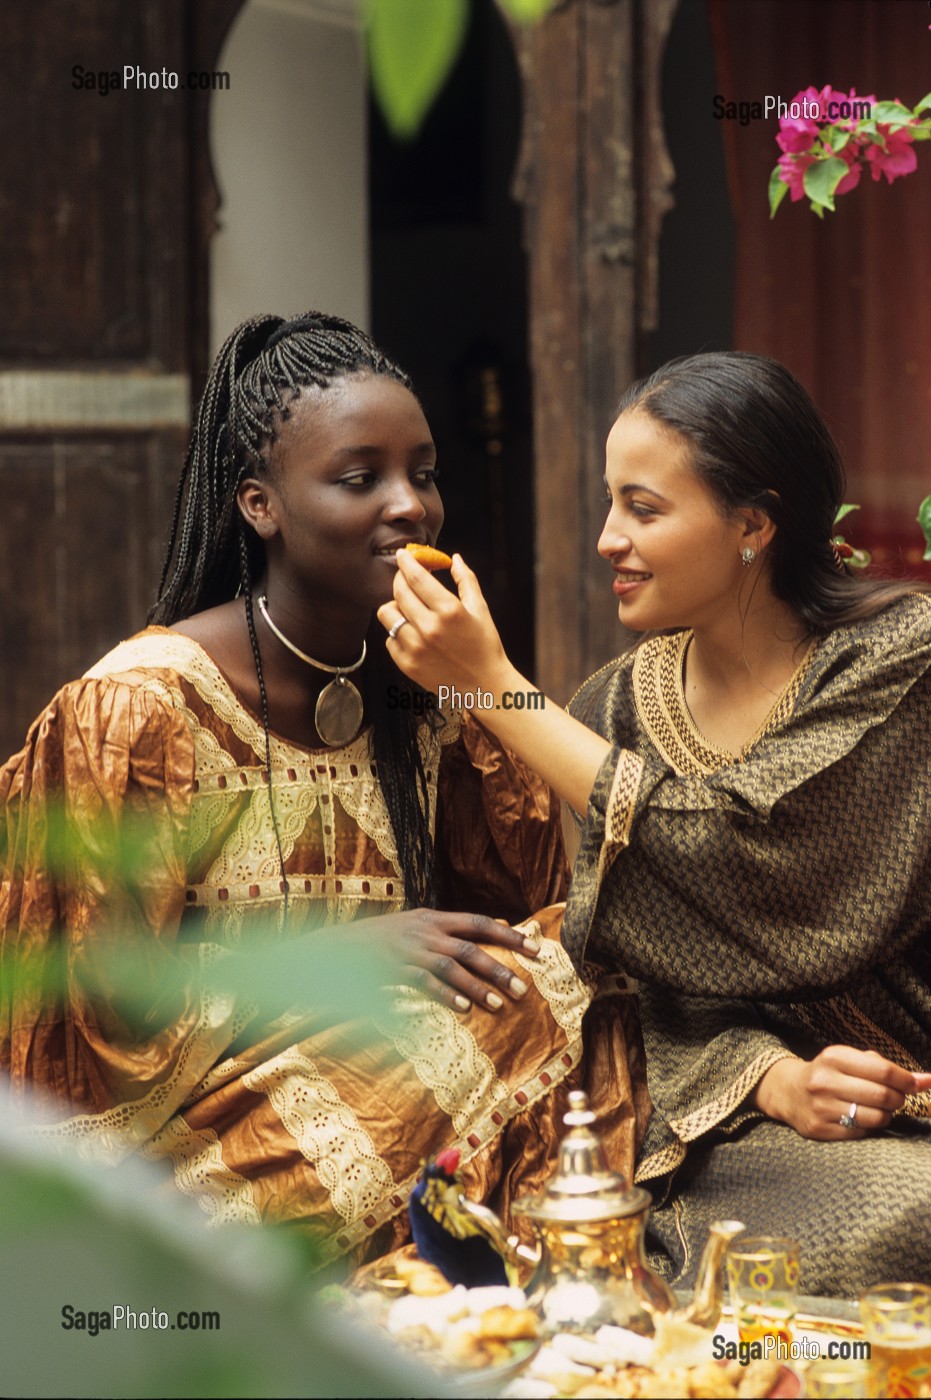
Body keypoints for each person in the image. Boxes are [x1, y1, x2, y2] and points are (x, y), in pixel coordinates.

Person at [0, 313, 640, 1273]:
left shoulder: (433, 690)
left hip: (394, 1115)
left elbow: (533, 904)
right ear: (260, 505)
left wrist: (484, 678)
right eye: (359, 478)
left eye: (422, 473)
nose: (409, 506)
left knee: (572, 953)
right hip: (169, 1173)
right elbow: (81, 1027)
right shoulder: (136, 711)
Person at [379, 349, 931, 1298]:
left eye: (643, 507)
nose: (605, 539)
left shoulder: (894, 659)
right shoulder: (616, 708)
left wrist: (497, 686)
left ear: (752, 522)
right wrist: (767, 1079)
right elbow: (635, 963)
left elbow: (751, 867)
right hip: (723, 1114)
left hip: (909, 1085)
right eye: (608, 503)